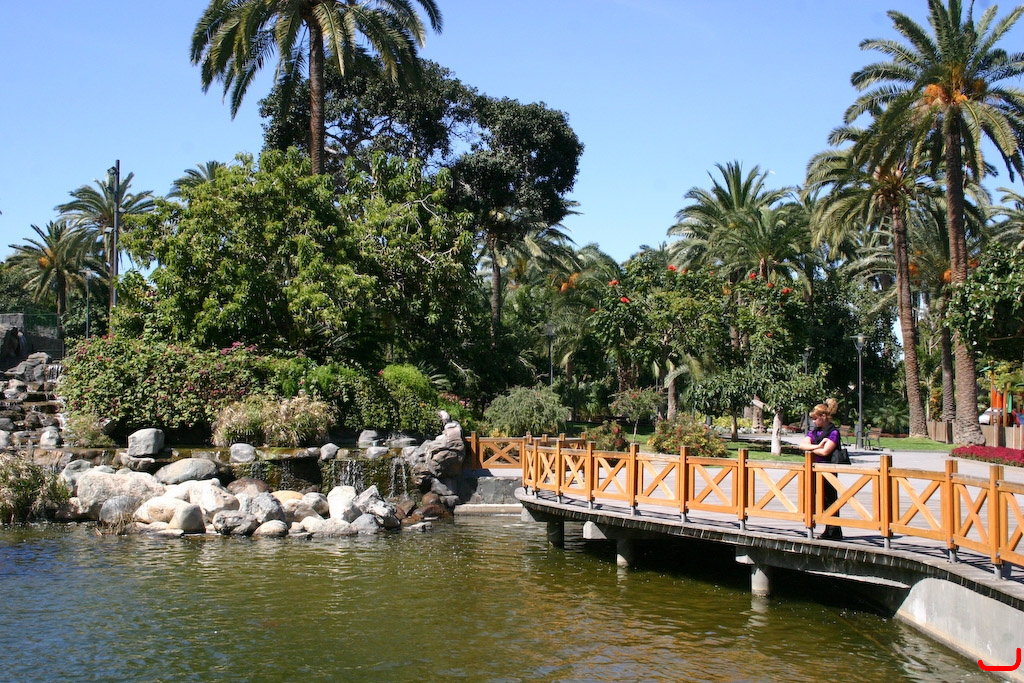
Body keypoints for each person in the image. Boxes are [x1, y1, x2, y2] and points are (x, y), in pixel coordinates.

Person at [797, 398, 842, 540]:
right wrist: (818, 446)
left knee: (830, 500)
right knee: (816, 499)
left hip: (828, 470)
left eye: (815, 418)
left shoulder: (833, 432)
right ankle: (820, 526)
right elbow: (802, 445)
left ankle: (833, 530)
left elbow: (825, 452)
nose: (813, 421)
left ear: (823, 417)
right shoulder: (814, 432)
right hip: (814, 470)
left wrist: (812, 448)